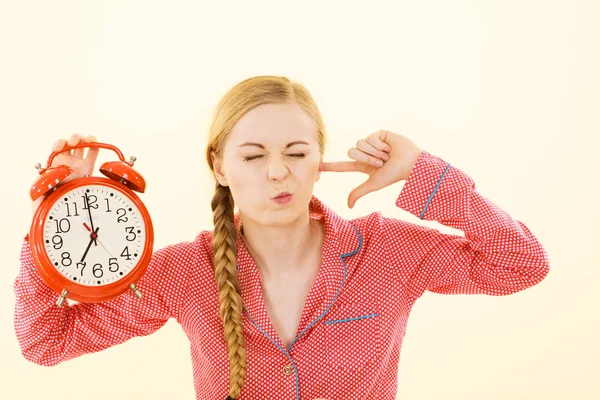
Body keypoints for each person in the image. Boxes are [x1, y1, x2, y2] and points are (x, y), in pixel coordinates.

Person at [15, 75, 551, 400]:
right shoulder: (182, 273)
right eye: (253, 156)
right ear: (219, 166)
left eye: (296, 153)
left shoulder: (388, 251)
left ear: (320, 161)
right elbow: (45, 342)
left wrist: (422, 174)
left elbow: (522, 263)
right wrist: (54, 212)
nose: (278, 173)